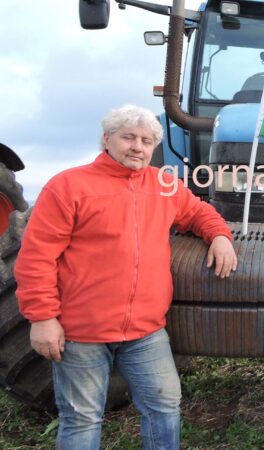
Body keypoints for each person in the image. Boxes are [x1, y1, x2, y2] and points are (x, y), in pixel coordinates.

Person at [15, 104, 238, 450]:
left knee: (164, 407)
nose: (138, 146)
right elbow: (36, 258)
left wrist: (220, 236)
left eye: (147, 141)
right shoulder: (68, 187)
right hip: (81, 333)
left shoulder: (165, 185)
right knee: (82, 419)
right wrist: (42, 318)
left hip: (145, 332)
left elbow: (198, 212)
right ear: (107, 139)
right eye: (128, 137)